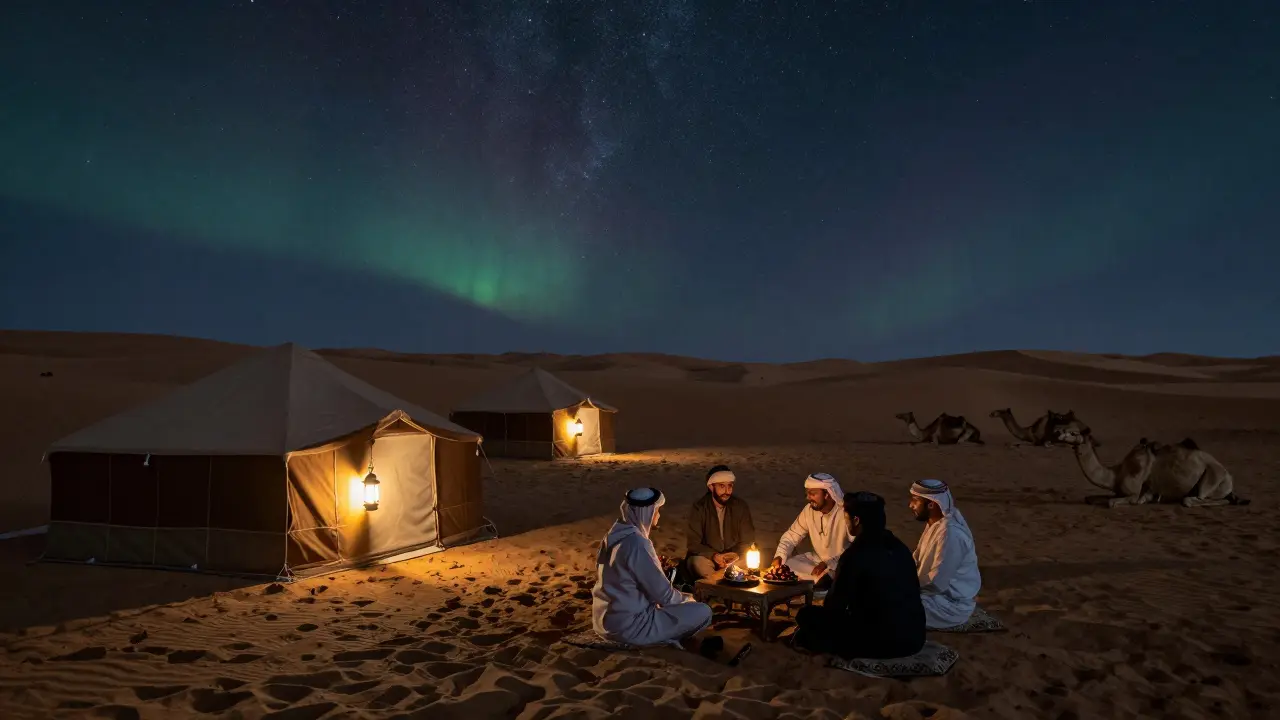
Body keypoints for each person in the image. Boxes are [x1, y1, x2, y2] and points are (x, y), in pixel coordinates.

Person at [791, 492, 926, 659]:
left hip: (881, 641)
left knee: (806, 615)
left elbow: (834, 607)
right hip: (915, 638)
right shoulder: (901, 548)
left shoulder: (854, 555)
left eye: (846, 518)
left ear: (856, 520)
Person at [591, 487, 714, 647]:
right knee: (704, 612)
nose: (659, 515)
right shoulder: (637, 543)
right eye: (657, 510)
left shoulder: (613, 535)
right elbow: (664, 596)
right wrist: (689, 599)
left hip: (604, 622)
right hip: (630, 627)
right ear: (646, 512)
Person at [909, 478, 982, 628]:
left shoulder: (951, 534)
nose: (911, 505)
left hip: (948, 605)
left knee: (889, 606)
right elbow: (916, 560)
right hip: (932, 595)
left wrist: (903, 586)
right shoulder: (935, 524)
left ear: (931, 504)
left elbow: (936, 583)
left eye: (915, 501)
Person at [771, 472, 852, 590]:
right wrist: (779, 556)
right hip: (815, 561)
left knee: (830, 577)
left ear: (827, 494)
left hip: (839, 564)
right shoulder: (809, 510)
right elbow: (792, 535)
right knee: (787, 566)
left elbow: (856, 547)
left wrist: (829, 563)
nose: (808, 498)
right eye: (807, 493)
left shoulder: (845, 513)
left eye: (812, 494)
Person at [685, 465, 757, 580]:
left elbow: (747, 539)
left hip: (734, 559)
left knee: (752, 561)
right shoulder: (699, 507)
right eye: (722, 486)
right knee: (697, 563)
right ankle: (722, 584)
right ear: (711, 487)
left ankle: (722, 580)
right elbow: (693, 544)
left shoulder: (740, 506)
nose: (727, 491)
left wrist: (735, 555)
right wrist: (714, 556)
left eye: (730, 486)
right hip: (708, 559)